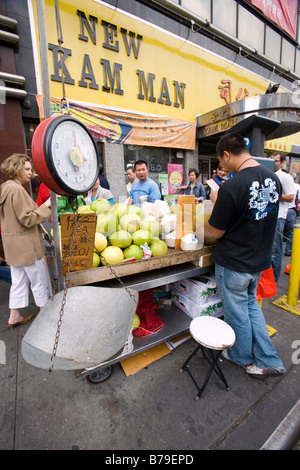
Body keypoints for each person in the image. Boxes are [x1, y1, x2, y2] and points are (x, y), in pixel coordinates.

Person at [208, 133, 286, 378]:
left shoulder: (231, 187)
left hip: (234, 263)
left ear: (228, 155)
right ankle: (268, 358)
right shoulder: (274, 179)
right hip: (257, 261)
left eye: (222, 161)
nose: (223, 167)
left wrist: (215, 201)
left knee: (238, 312)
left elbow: (216, 232)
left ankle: (241, 356)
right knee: (251, 307)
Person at [0, 153, 51, 328]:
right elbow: (28, 219)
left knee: (19, 281)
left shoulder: (5, 188)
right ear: (17, 168)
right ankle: (46, 315)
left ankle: (14, 316)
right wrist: (47, 205)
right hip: (28, 246)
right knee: (39, 280)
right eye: (27, 169)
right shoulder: (17, 189)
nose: (31, 173)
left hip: (13, 246)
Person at [269, 152, 295, 281]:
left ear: (282, 162)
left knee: (275, 251)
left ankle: (274, 279)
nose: (273, 163)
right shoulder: (266, 174)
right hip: (265, 216)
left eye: (276, 161)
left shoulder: (285, 177)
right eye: (271, 160)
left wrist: (273, 195)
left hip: (278, 216)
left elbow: (291, 197)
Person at [283, 172, 300, 256]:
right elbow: (298, 199)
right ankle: (289, 250)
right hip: (291, 210)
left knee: (278, 231)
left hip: (282, 209)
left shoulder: (282, 183)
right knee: (290, 232)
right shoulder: (297, 186)